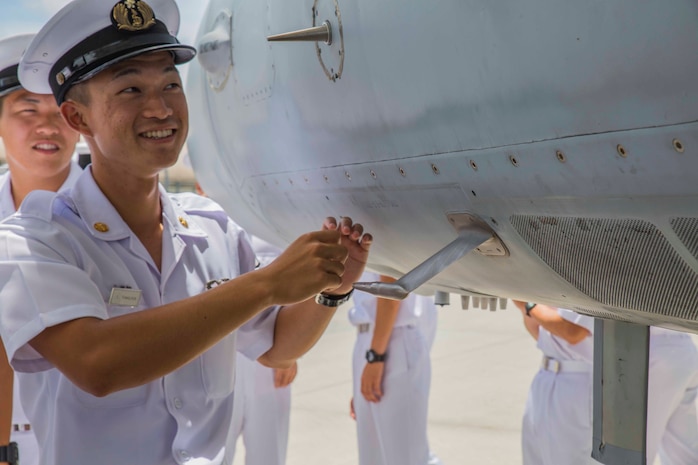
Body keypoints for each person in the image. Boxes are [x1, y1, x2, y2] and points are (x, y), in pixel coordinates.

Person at [0, 1, 372, 465]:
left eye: (170, 85)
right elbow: (97, 363)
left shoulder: (212, 228)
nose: (159, 108)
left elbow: (276, 347)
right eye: (131, 89)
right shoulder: (34, 239)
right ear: (78, 119)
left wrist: (332, 291)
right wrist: (267, 285)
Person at [0, 33, 81, 465]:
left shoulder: (122, 219)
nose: (47, 127)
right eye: (27, 110)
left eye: (61, 112)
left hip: (90, 439)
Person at [515, 301, 698, 465]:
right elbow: (541, 333)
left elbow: (573, 332)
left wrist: (527, 304)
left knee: (629, 455)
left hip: (647, 357)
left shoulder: (575, 277)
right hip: (674, 351)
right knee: (685, 452)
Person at [348, 271, 441, 465]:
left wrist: (376, 356)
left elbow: (391, 288)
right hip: (374, 340)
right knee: (375, 458)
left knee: (406, 457)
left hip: (390, 342)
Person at [228, 235, 298, 465]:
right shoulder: (199, 225)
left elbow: (293, 289)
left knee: (267, 453)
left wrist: (293, 355)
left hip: (266, 358)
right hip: (218, 356)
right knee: (212, 453)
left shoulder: (271, 229)